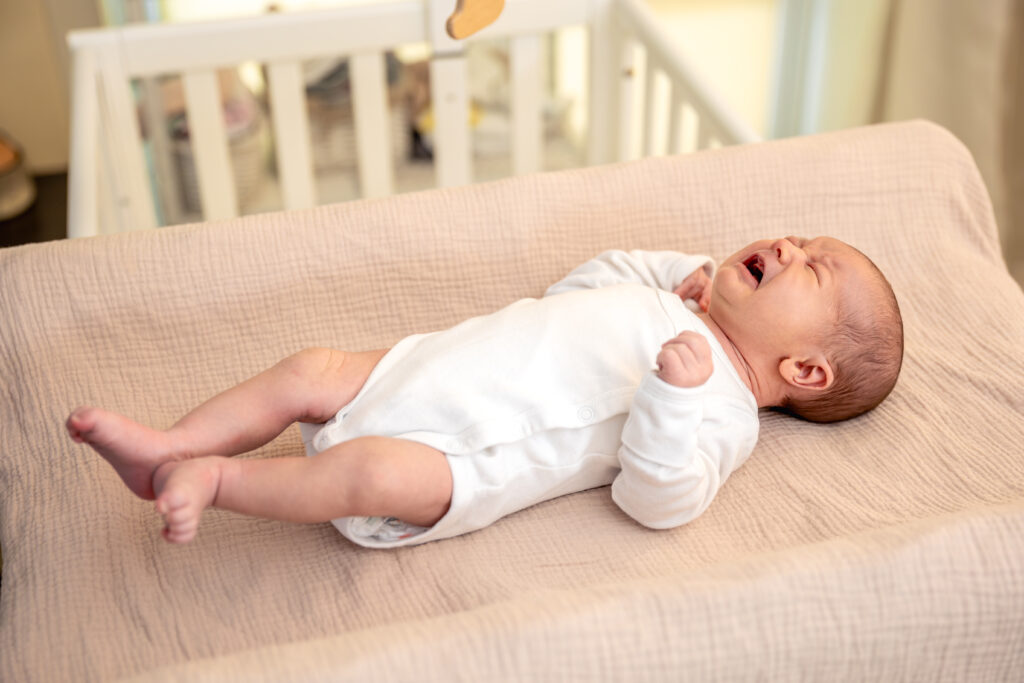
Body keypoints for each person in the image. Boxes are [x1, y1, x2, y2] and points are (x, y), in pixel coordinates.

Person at [66, 236, 903, 547]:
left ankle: (217, 480)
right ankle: (172, 446)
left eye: (812, 266)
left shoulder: (721, 411)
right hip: (428, 366)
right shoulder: (668, 295)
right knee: (310, 368)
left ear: (803, 372)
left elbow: (658, 499)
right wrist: (659, 271)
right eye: (794, 236)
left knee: (365, 474)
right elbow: (574, 286)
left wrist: (675, 397)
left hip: (463, 459)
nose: (787, 243)